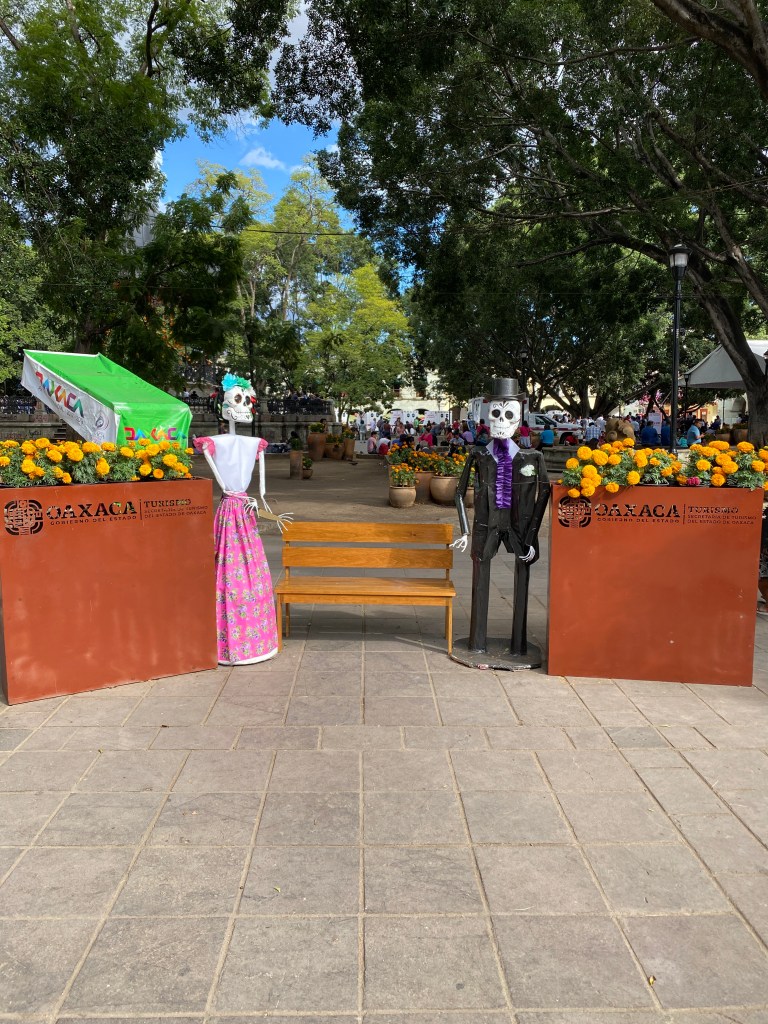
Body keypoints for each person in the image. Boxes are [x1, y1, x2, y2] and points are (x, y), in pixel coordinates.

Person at [194, 374, 292, 666]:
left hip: (242, 511)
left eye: (248, 400)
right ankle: (231, 642)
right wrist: (251, 500)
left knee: (248, 570)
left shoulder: (253, 444)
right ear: (224, 405)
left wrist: (267, 510)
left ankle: (251, 640)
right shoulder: (214, 443)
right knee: (229, 568)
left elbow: (261, 490)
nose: (245, 405)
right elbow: (225, 482)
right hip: (232, 510)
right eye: (238, 399)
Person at [452, 377, 550, 663]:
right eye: (495, 413)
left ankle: (519, 645)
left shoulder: (533, 458)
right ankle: (477, 642)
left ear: (518, 419)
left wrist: (532, 535)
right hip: (486, 527)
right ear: (487, 416)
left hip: (521, 530)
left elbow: (544, 492)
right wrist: (465, 531)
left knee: (523, 579)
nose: (500, 420)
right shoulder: (479, 455)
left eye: (508, 414)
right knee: (479, 579)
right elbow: (459, 493)